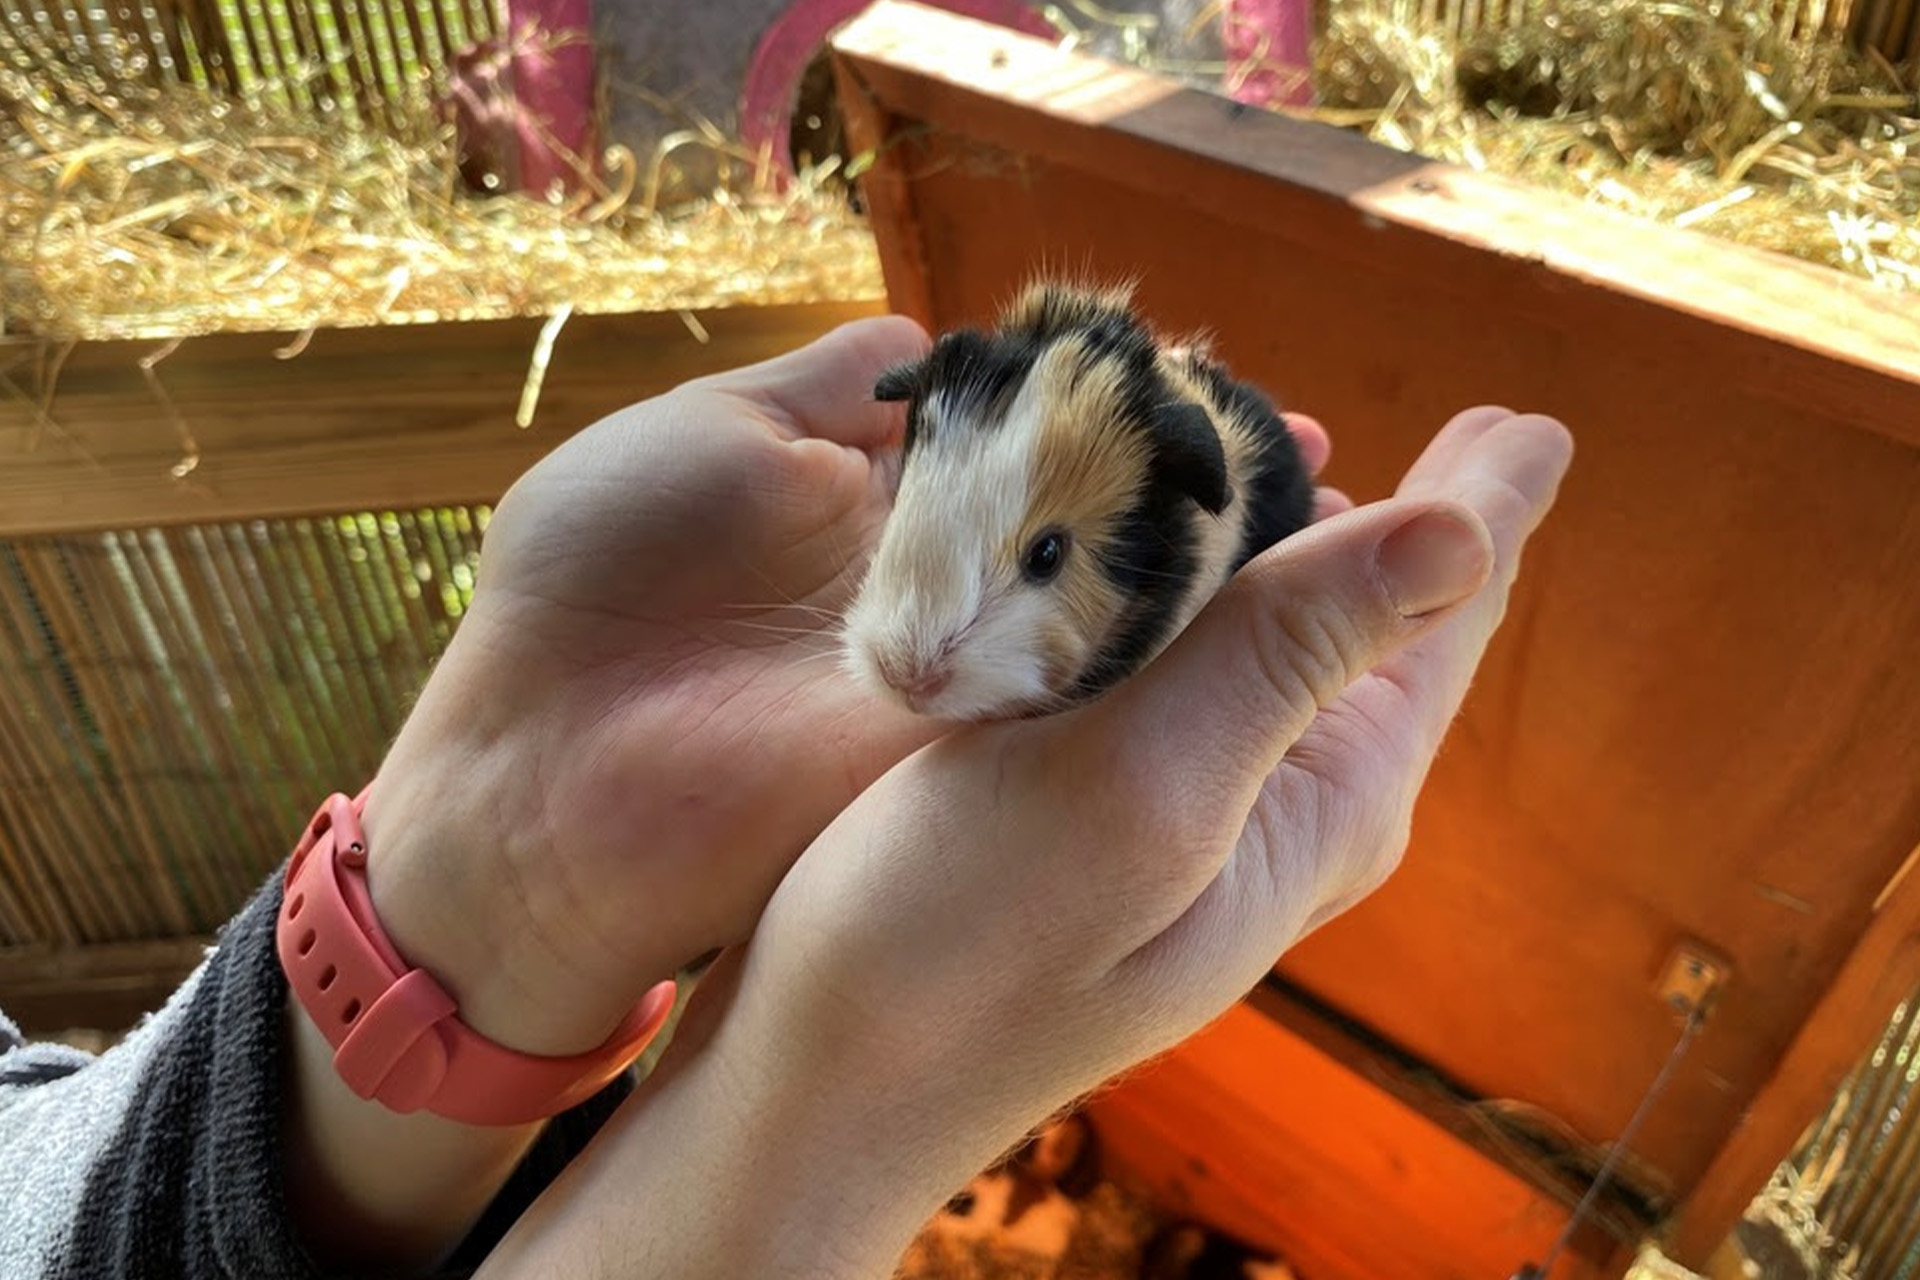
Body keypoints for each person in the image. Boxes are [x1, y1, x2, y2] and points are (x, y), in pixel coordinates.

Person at [0, 314, 1572, 1279]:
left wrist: (488, 873)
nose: (914, 642)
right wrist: (807, 1131)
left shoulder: (1200, 491)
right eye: (921, 536)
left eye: (1038, 565)